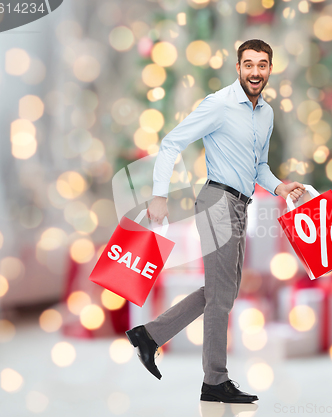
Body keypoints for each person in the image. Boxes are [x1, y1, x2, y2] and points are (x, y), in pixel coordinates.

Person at [125, 39, 305, 403]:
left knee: (224, 289)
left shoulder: (265, 114)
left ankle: (149, 335)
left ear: (270, 69)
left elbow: (259, 168)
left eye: (263, 64)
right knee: (222, 295)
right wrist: (159, 195)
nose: (256, 71)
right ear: (238, 67)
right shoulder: (219, 105)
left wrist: (280, 187)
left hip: (241, 204)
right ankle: (214, 381)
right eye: (249, 64)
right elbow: (172, 143)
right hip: (217, 201)